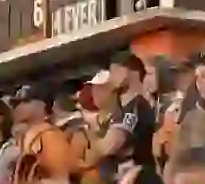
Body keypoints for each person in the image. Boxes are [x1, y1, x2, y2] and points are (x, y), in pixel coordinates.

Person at [88, 52, 158, 183]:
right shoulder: (119, 109)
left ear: (132, 73)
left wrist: (88, 148)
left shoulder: (137, 106)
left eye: (115, 71)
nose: (112, 77)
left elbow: (111, 144)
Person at [10, 84, 73, 184]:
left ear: (42, 106)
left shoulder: (50, 136)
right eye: (16, 103)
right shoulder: (24, 136)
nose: (18, 107)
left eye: (25, 102)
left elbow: (58, 179)